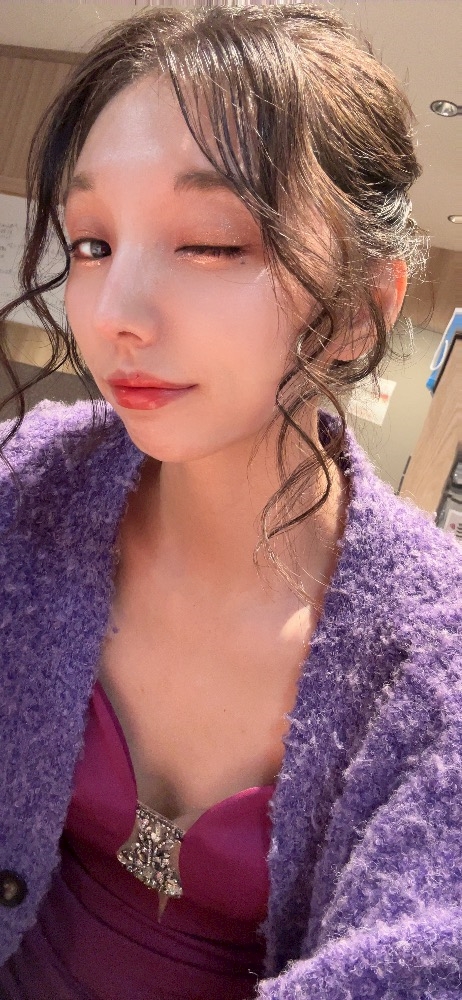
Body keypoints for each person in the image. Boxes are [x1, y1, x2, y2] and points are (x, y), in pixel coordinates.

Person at [0, 4, 461, 999]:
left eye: (210, 245)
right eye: (91, 243)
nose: (116, 314)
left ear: (357, 311)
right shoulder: (25, 497)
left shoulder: (436, 662)